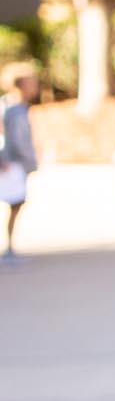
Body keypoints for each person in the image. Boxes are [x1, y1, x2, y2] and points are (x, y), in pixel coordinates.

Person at [0, 62, 40, 263]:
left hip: (17, 163)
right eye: (32, 83)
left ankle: (10, 247)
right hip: (9, 164)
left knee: (16, 204)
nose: (36, 87)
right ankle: (8, 250)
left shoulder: (19, 108)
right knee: (14, 203)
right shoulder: (9, 108)